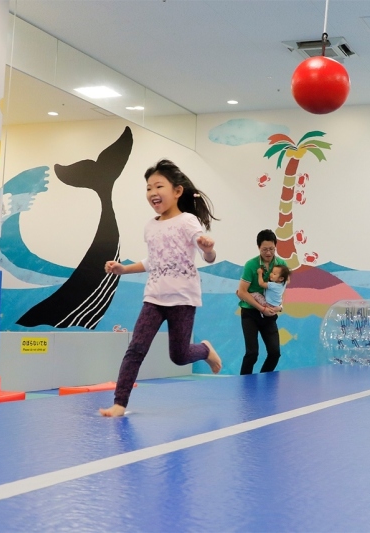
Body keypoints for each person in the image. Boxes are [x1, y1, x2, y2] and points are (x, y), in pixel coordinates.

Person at [99, 159, 223, 417]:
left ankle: (204, 350)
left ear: (177, 191)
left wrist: (209, 249)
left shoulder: (188, 221)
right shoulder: (150, 226)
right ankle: (119, 403)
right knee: (136, 349)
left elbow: (207, 256)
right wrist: (123, 269)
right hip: (154, 298)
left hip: (182, 299)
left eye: (159, 186)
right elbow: (153, 262)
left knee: (179, 356)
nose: (153, 192)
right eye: (148, 188)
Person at [236, 229, 287, 374]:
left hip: (269, 313)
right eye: (265, 249)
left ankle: (264, 380)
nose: (268, 253)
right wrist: (261, 308)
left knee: (275, 353)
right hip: (250, 312)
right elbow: (242, 292)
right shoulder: (251, 265)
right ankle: (245, 383)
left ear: (275, 246)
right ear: (258, 247)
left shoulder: (281, 264)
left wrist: (279, 306)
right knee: (252, 353)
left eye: (272, 249)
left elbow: (281, 289)